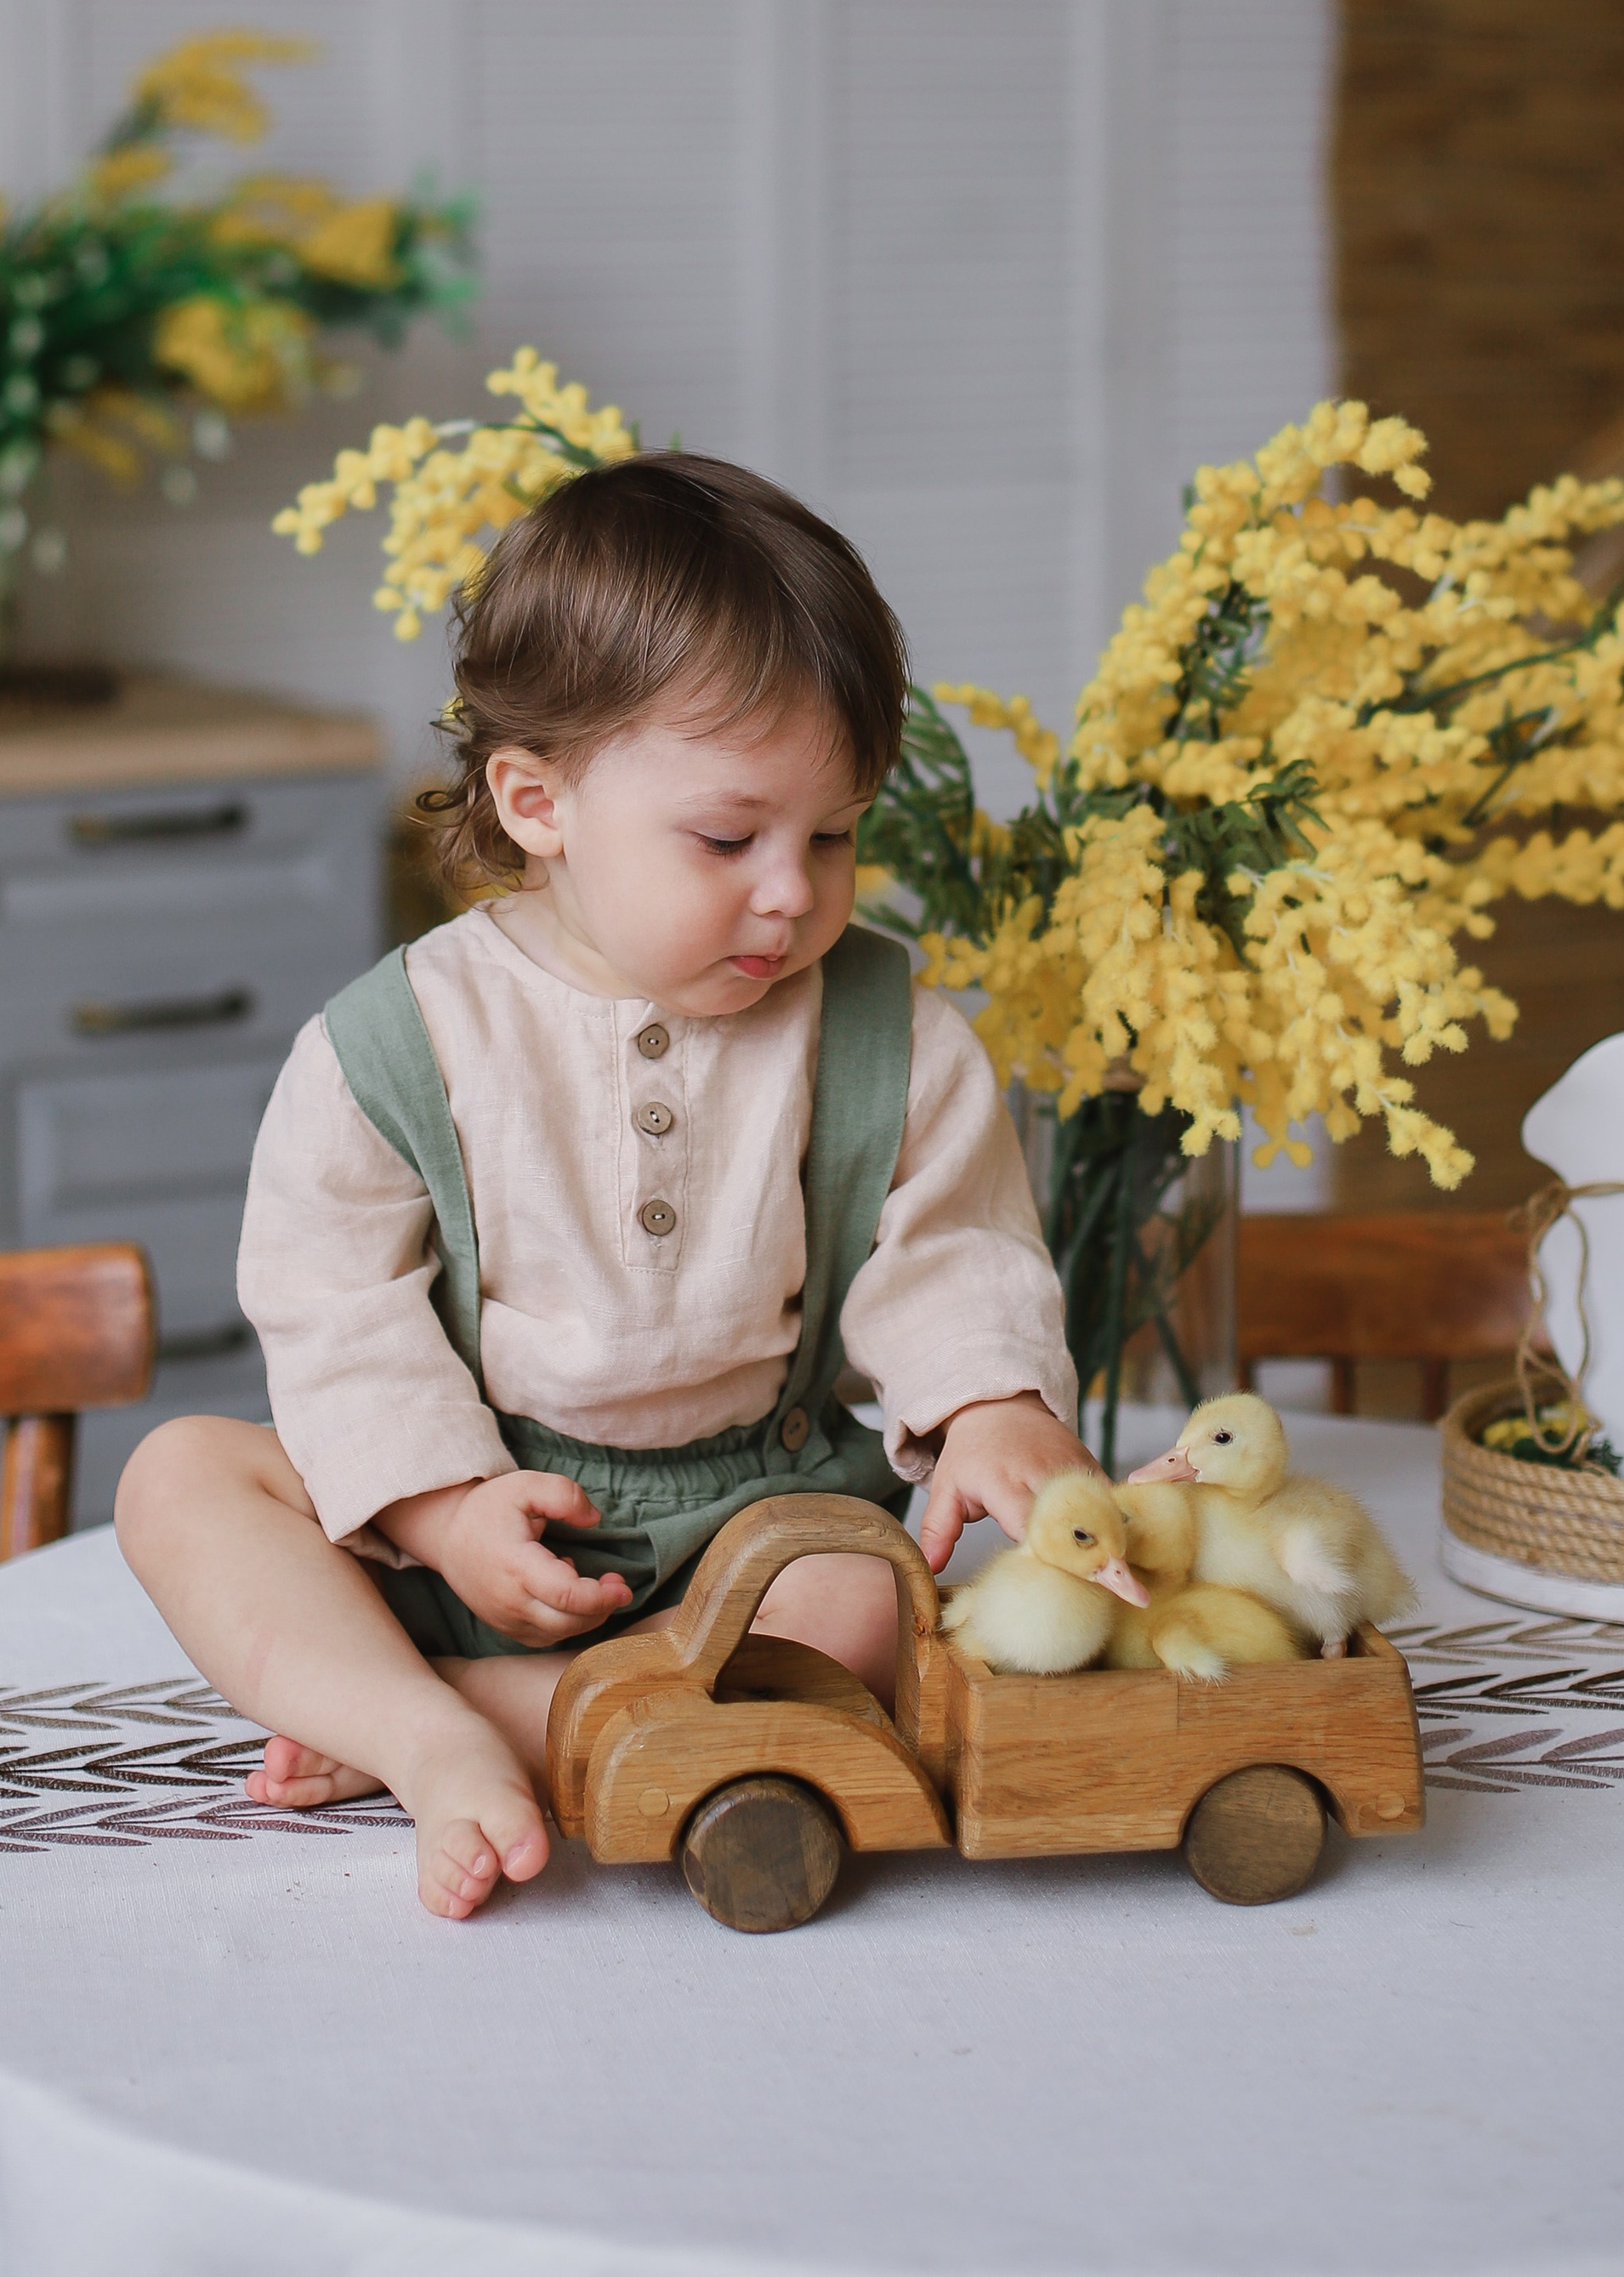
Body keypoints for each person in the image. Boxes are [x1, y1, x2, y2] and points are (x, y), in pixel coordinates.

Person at [117, 452, 1084, 1918]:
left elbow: (947, 1249)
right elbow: (334, 1307)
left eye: (834, 836)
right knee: (182, 1477)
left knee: (875, 1603)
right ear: (536, 801)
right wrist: (443, 1511)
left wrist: (995, 1405)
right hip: (475, 1511)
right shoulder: (401, 1040)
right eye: (727, 837)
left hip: (750, 1527)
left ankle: (429, 1713)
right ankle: (449, 1723)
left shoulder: (886, 1035)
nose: (791, 891)